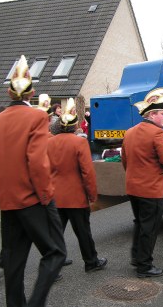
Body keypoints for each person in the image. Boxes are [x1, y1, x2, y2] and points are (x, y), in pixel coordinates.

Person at [0, 55, 66, 307]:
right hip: (33, 199)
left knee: (13, 259)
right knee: (55, 253)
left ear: (9, 93)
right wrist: (45, 196)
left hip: (8, 201)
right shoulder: (37, 118)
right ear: (31, 94)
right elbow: (38, 162)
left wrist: (1, 189)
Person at [47, 98, 107, 273]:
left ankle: (53, 266)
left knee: (56, 232)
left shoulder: (49, 142)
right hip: (75, 196)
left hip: (55, 195)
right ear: (74, 126)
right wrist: (92, 195)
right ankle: (91, 261)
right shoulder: (79, 143)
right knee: (83, 232)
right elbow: (87, 172)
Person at [121, 87, 163, 278]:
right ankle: (144, 266)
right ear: (151, 114)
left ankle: (137, 257)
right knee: (149, 227)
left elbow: (124, 160)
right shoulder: (158, 134)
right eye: (162, 114)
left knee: (140, 223)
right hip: (149, 189)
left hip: (132, 186)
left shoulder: (129, 132)